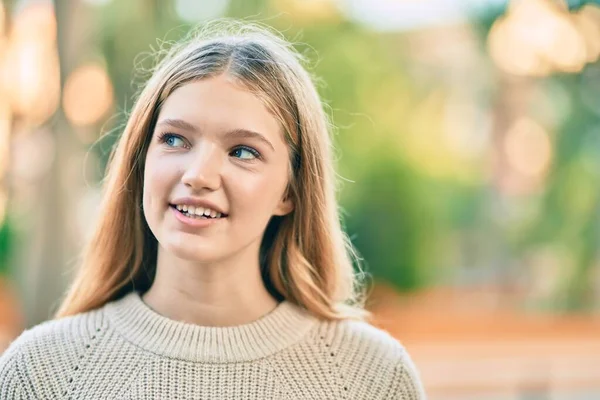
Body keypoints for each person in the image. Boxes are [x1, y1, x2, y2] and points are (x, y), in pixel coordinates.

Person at [0, 20, 426, 399]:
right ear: (141, 159)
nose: (199, 175)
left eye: (242, 151)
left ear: (290, 191)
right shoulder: (41, 373)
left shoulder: (371, 377)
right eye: (174, 140)